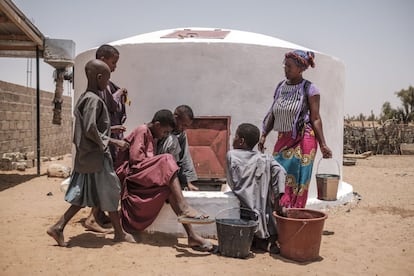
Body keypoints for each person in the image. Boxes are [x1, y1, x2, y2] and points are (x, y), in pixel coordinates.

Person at [46, 59, 135, 247]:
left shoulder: (86, 97)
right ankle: (119, 233)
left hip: (89, 157)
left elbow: (92, 127)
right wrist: (115, 141)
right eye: (107, 78)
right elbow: (90, 129)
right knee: (112, 191)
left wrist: (112, 129)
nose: (108, 83)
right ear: (100, 77)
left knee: (85, 195)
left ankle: (58, 227)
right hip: (97, 157)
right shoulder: (94, 100)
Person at [115, 109, 215, 252]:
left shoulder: (152, 135)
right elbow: (135, 161)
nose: (165, 135)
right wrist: (158, 163)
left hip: (142, 175)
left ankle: (191, 235)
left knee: (169, 189)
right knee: (167, 158)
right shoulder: (142, 130)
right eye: (165, 132)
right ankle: (185, 208)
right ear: (157, 125)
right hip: (133, 177)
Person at [258, 50, 332, 208]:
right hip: (283, 139)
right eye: (285, 65)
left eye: (289, 66)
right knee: (277, 172)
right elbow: (274, 112)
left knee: (298, 180)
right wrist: (264, 134)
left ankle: (294, 214)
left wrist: (324, 144)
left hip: (304, 139)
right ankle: (279, 212)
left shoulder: (310, 89)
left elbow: (316, 118)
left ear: (300, 68)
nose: (286, 68)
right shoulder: (280, 87)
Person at [84, 44, 130, 233]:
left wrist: (112, 129)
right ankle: (93, 219)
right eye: (113, 62)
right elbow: (91, 125)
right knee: (106, 182)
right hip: (99, 145)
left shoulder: (100, 88)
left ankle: (98, 216)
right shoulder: (95, 94)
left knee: (104, 182)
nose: (115, 67)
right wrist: (113, 138)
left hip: (103, 140)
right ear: (102, 59)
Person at [226, 123, 286, 253]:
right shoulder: (265, 158)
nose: (233, 139)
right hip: (263, 210)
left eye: (235, 136)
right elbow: (280, 171)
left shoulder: (232, 155)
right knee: (265, 206)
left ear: (241, 141)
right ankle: (268, 240)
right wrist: (277, 196)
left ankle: (255, 239)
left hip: (244, 209)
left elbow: (232, 182)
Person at [157, 105, 199, 191]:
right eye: (183, 125)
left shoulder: (181, 134)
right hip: (157, 167)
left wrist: (188, 181)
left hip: (172, 169)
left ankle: (173, 181)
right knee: (173, 140)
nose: (184, 128)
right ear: (176, 118)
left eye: (187, 126)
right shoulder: (161, 126)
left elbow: (185, 156)